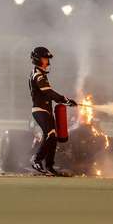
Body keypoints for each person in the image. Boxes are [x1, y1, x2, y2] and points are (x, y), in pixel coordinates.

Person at [28, 46, 76, 176]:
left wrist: (64, 100)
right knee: (50, 134)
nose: (47, 61)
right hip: (40, 110)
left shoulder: (41, 74)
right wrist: (65, 100)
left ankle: (49, 166)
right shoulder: (38, 75)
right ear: (38, 59)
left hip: (46, 111)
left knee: (53, 138)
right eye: (45, 58)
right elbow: (48, 92)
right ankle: (36, 160)